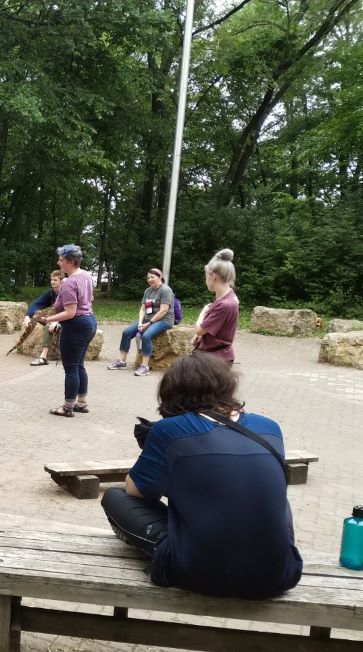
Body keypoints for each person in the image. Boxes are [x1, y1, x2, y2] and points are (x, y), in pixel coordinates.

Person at [100, 352, 302, 598]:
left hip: (197, 572)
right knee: (271, 497)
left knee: (114, 496)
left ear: (171, 392)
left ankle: (173, 550)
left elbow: (134, 490)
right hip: (278, 574)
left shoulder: (169, 429)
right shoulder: (269, 428)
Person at [43, 244, 96, 417]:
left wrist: (48, 320)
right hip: (89, 322)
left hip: (76, 326)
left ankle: (67, 407)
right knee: (79, 365)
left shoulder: (70, 282)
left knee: (71, 369)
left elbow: (70, 312)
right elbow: (91, 299)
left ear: (71, 262)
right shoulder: (86, 275)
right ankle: (81, 403)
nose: (59, 263)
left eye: (61, 260)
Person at [107, 268, 175, 376]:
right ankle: (122, 361)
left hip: (164, 320)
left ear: (160, 277)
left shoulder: (165, 290)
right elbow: (143, 309)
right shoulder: (148, 291)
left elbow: (163, 311)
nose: (150, 279)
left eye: (153, 277)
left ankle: (145, 367)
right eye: (148, 277)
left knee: (146, 335)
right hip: (147, 319)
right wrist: (139, 323)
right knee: (126, 332)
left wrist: (148, 324)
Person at [193, 249, 239, 363]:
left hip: (216, 361)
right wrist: (202, 338)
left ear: (213, 276)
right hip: (215, 357)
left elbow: (199, 330)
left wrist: (202, 313)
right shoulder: (229, 296)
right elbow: (217, 327)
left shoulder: (224, 304)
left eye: (206, 276)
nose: (205, 280)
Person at [22, 270, 64, 365]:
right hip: (55, 319)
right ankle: (23, 341)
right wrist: (27, 316)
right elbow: (36, 304)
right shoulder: (51, 293)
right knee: (35, 316)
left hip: (67, 321)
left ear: (61, 281)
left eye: (55, 280)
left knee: (48, 325)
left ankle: (43, 357)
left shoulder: (67, 293)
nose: (52, 282)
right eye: (51, 280)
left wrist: (57, 321)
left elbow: (69, 312)